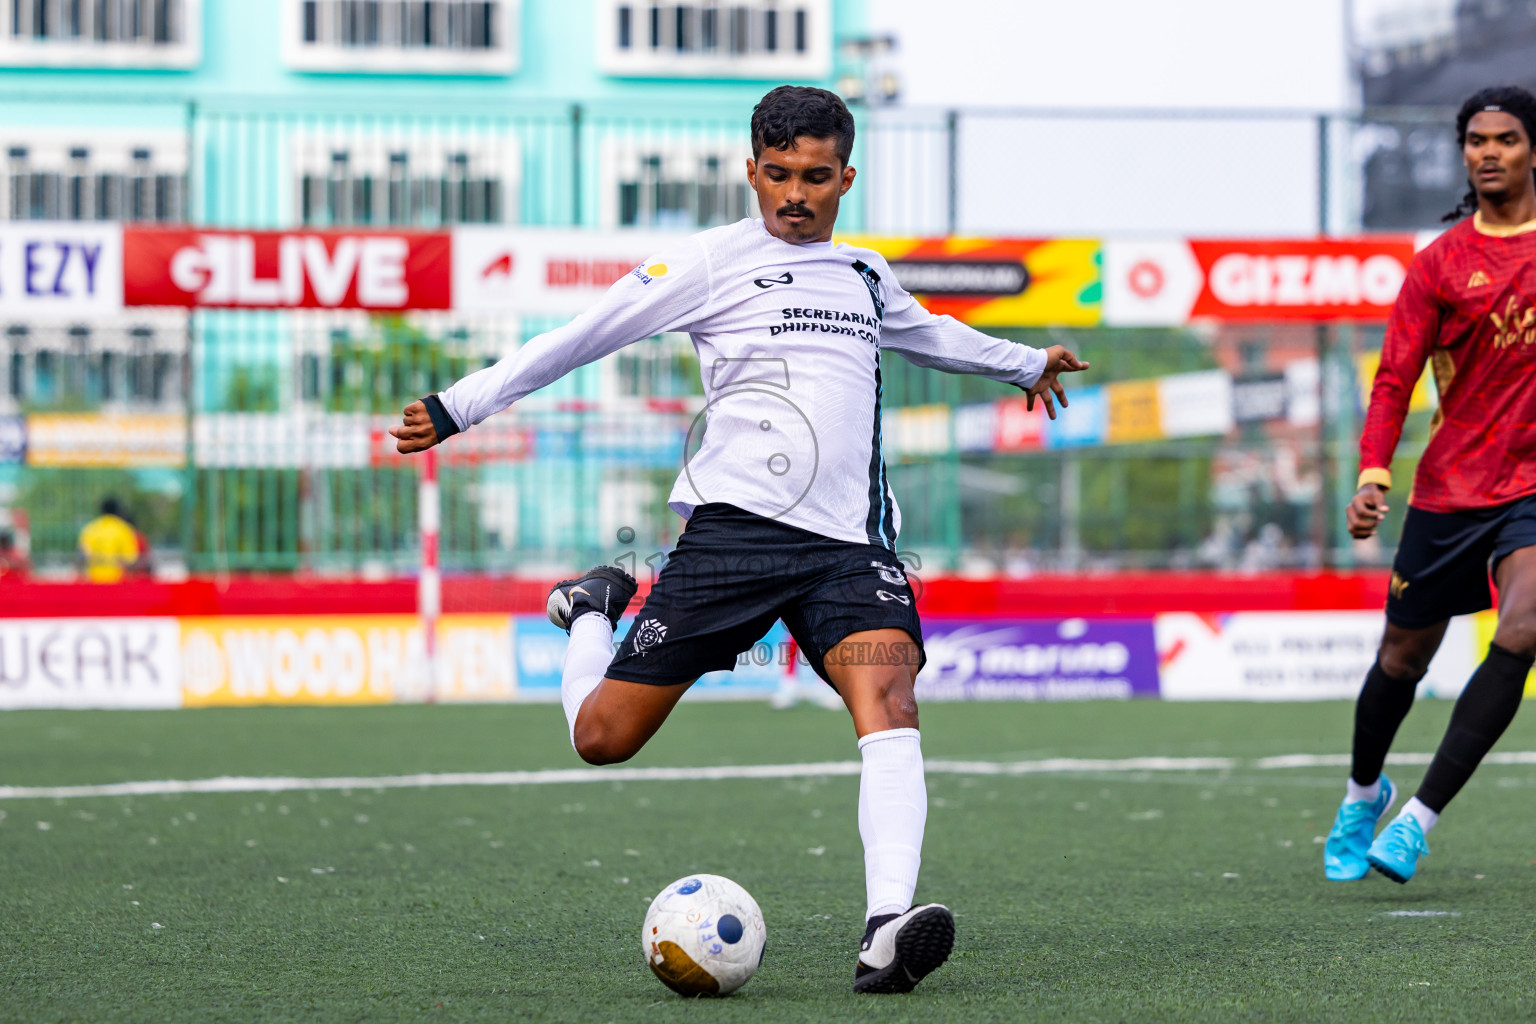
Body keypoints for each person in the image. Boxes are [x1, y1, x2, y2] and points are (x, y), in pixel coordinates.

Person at [392, 85, 1088, 991]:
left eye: (814, 177)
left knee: (891, 698)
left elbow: (933, 336)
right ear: (751, 169)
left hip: (850, 548)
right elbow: (579, 339)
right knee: (604, 738)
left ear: (845, 176)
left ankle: (887, 928)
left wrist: (1026, 362)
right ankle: (591, 614)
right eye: (777, 175)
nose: (794, 195)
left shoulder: (867, 275)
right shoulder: (709, 264)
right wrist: (457, 407)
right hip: (734, 539)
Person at [1327, 85, 1536, 886]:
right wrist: (1374, 470)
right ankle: (1362, 793)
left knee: (1522, 630)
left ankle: (1418, 820)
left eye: (1507, 139)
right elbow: (1393, 378)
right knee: (1401, 660)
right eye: (1476, 140)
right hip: (1452, 490)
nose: (1489, 152)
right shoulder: (1440, 265)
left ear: (1530, 150)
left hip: (1530, 493)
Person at [78, 497, 142, 584]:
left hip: (93, 581)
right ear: (117, 511)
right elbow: (131, 560)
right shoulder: (124, 530)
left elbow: (84, 556)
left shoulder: (90, 529)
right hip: (117, 583)